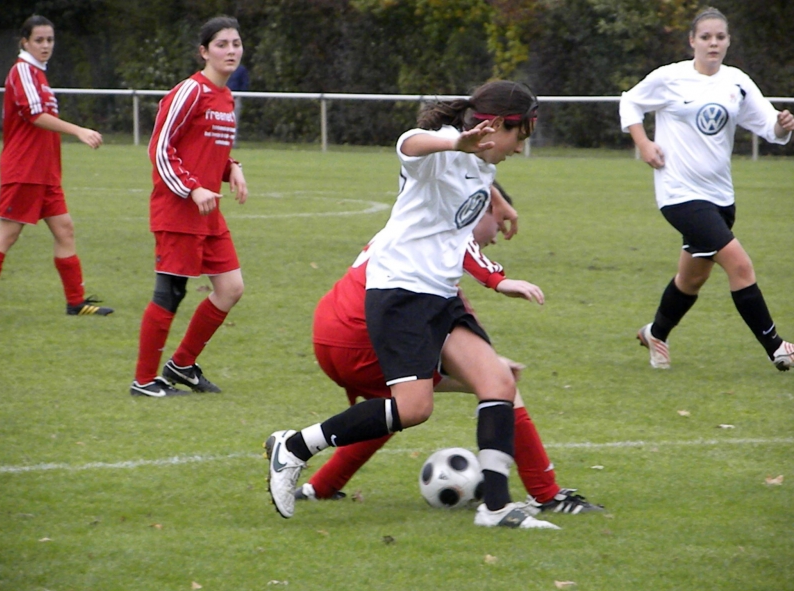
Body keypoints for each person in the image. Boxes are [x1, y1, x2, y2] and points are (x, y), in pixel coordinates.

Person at [267, 80, 559, 530]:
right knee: (414, 409)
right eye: (521, 137)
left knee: (497, 381)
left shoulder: (481, 167)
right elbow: (407, 143)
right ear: (497, 125)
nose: (521, 148)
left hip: (440, 296)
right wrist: (454, 141)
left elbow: (459, 230)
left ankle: (496, 509)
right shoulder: (437, 155)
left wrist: (498, 279)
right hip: (400, 293)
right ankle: (296, 447)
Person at [299, 184, 603, 516]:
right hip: (359, 339)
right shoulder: (439, 247)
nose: (497, 237)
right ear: (478, 209)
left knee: (401, 404)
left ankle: (319, 487)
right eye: (497, 224)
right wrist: (489, 365)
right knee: (493, 385)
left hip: (331, 332)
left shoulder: (418, 227)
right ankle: (543, 495)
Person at [620, 6, 794, 371]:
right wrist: (644, 143)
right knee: (740, 266)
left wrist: (782, 125)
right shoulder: (670, 78)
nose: (713, 43)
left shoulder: (736, 82)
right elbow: (631, 101)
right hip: (679, 194)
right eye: (706, 37)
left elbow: (768, 128)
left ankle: (656, 332)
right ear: (692, 41)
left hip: (720, 197)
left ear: (728, 42)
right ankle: (778, 348)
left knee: (692, 278)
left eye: (720, 37)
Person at [130, 16, 248, 398]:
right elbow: (160, 148)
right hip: (178, 208)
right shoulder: (189, 92)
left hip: (208, 209)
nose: (230, 50)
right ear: (204, 52)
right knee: (170, 293)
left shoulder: (226, 97)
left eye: (235, 43)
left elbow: (208, 147)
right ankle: (144, 381)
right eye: (221, 44)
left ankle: (181, 364)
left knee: (230, 288)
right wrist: (192, 188)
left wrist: (233, 168)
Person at [0, 15, 113, 316]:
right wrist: (79, 130)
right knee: (6, 236)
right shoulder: (22, 71)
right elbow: (35, 116)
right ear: (25, 42)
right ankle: (76, 302)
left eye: (49, 40)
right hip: (25, 171)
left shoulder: (39, 74)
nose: (46, 45)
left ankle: (76, 303)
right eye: (39, 40)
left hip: (45, 173)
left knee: (65, 231)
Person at [226, 64, 249, 145]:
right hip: (221, 98)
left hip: (235, 99)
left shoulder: (241, 69)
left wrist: (241, 96)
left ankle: (232, 142)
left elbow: (244, 83)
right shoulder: (220, 67)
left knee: (234, 121)